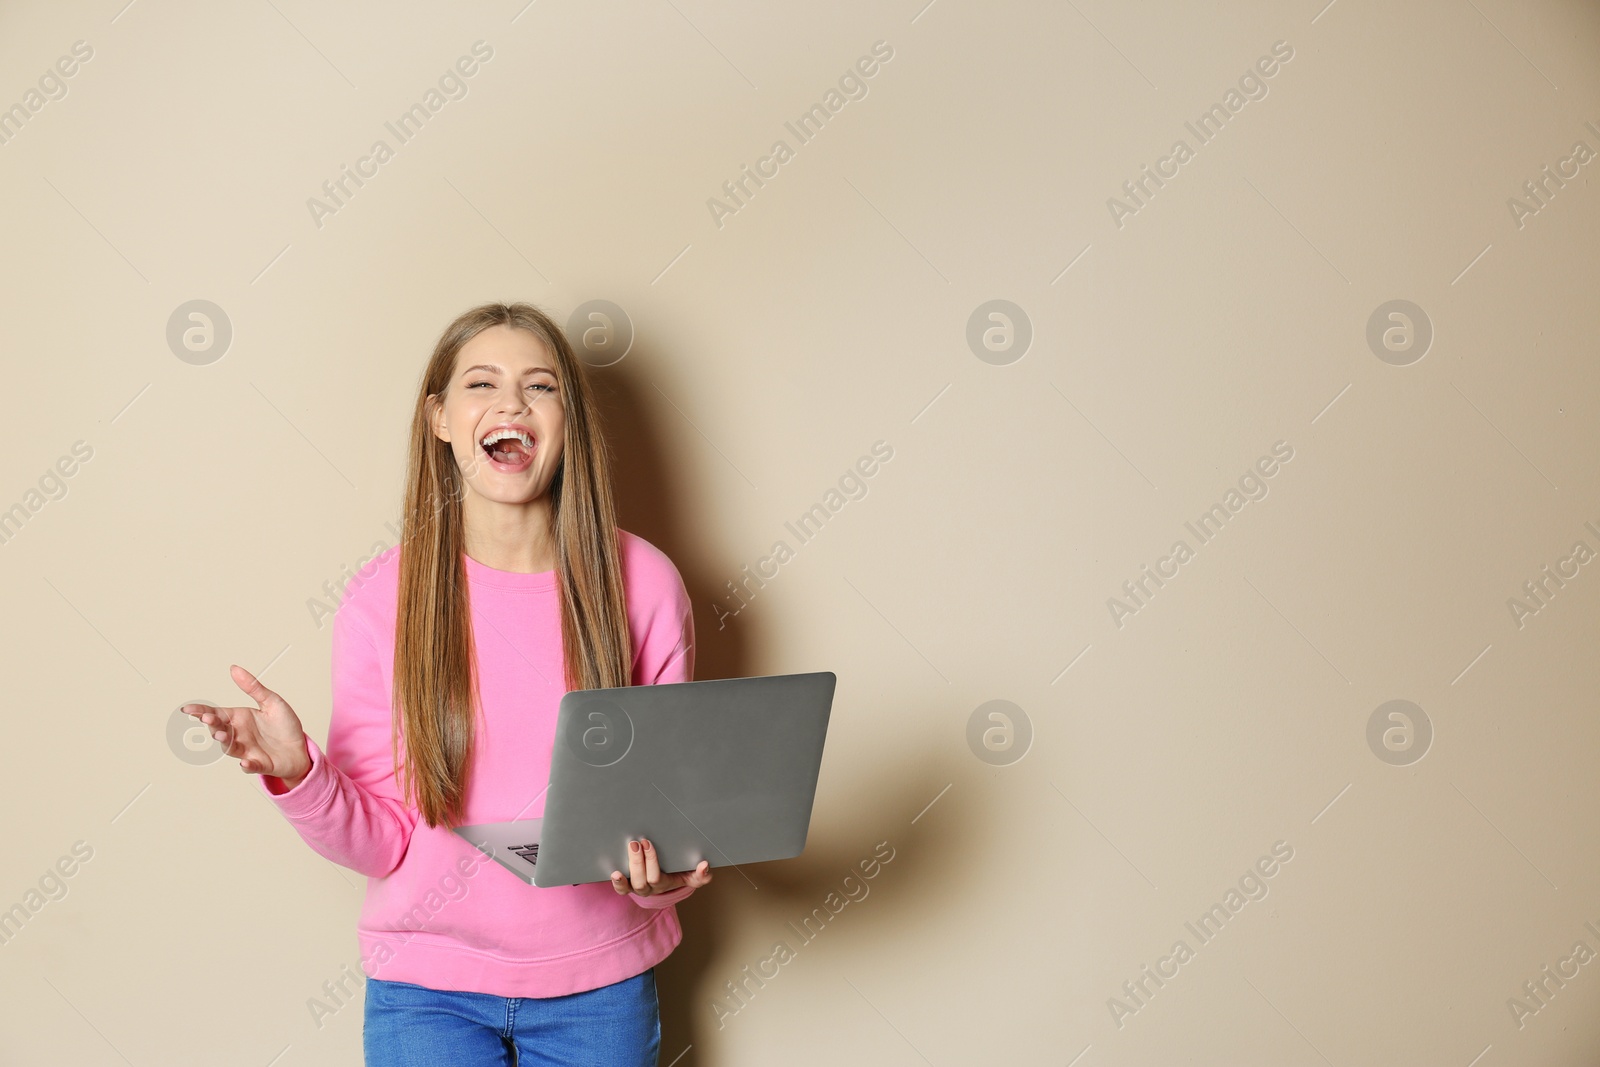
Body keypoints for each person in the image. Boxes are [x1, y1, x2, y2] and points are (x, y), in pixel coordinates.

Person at [182, 302, 712, 1066]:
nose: (511, 404)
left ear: (571, 420)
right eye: (482, 383)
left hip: (600, 991)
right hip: (424, 994)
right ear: (439, 417)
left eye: (541, 386)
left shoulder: (645, 584)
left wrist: (660, 875)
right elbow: (382, 840)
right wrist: (298, 772)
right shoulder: (380, 599)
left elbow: (664, 820)